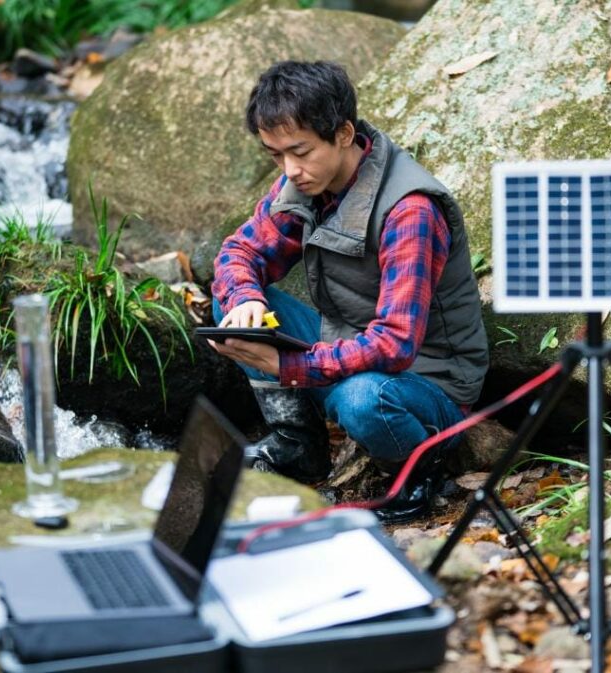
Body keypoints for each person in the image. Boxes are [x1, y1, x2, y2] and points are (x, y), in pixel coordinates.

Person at [209, 60, 488, 524]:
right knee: (232, 306)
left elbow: (395, 344)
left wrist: (292, 367)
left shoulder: (410, 210)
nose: (290, 170)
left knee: (364, 399)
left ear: (343, 133)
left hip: (427, 382)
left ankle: (415, 475)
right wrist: (247, 301)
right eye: (275, 156)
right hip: (347, 348)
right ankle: (299, 447)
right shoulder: (305, 184)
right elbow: (239, 252)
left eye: (300, 151)